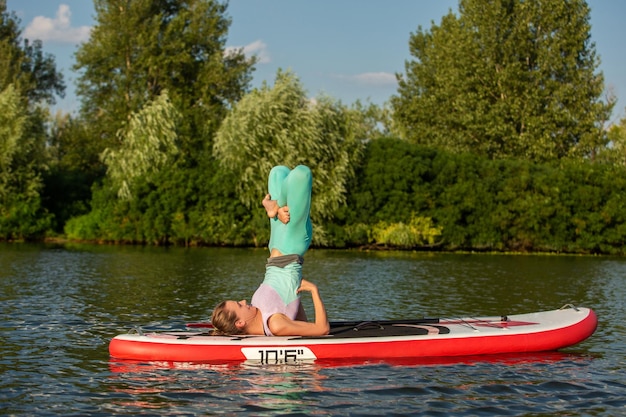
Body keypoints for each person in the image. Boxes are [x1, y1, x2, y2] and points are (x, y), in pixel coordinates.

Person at [211, 165, 329, 337]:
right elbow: (321, 329)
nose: (244, 301)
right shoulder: (276, 325)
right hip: (291, 246)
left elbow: (289, 304)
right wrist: (313, 290)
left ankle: (272, 206)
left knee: (279, 172)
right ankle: (272, 206)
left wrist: (305, 289)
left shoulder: (258, 311)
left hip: (277, 244)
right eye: (239, 305)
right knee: (298, 174)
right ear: (240, 323)